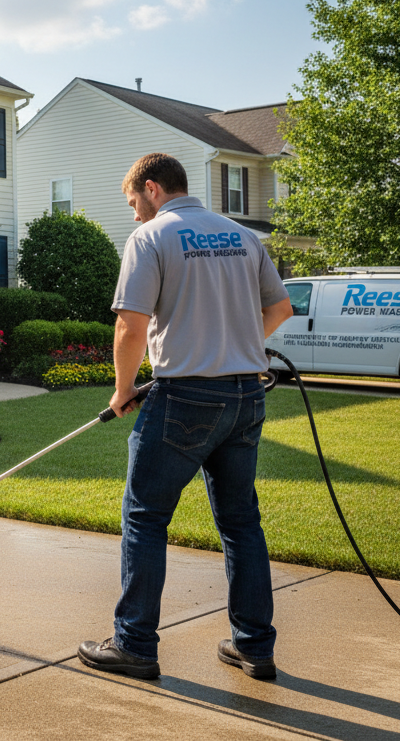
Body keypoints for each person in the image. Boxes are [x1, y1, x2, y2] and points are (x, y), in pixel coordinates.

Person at [78, 153, 293, 681]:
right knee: (241, 522)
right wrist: (233, 346)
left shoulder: (151, 239)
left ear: (152, 189)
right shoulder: (244, 237)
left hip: (185, 399)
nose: (133, 216)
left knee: (145, 517)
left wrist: (122, 390)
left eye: (133, 203)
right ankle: (254, 648)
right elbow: (280, 308)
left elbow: (131, 326)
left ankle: (133, 646)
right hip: (246, 396)